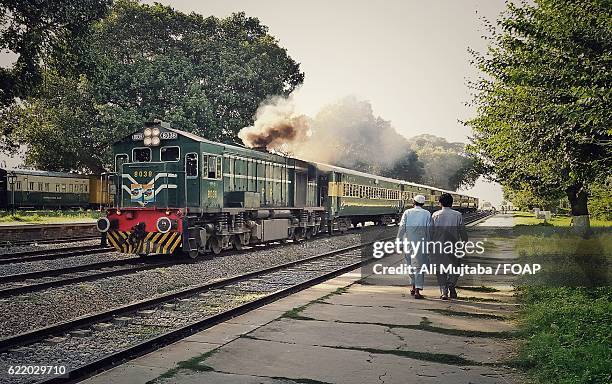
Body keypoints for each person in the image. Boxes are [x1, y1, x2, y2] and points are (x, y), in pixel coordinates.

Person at [431, 193, 468, 300]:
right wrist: (465, 242)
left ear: (440, 203)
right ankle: (451, 283)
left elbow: (431, 231)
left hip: (438, 246)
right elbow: (462, 230)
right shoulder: (457, 215)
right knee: (455, 267)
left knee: (440, 269)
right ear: (452, 203)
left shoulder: (435, 215)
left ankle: (444, 292)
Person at [397, 194, 432, 299]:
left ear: (414, 202)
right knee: (419, 267)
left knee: (410, 265)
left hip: (408, 243)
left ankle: (413, 286)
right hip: (421, 243)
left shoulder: (407, 212)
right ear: (423, 203)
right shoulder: (427, 214)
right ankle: (417, 290)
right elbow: (429, 230)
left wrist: (399, 241)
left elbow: (402, 227)